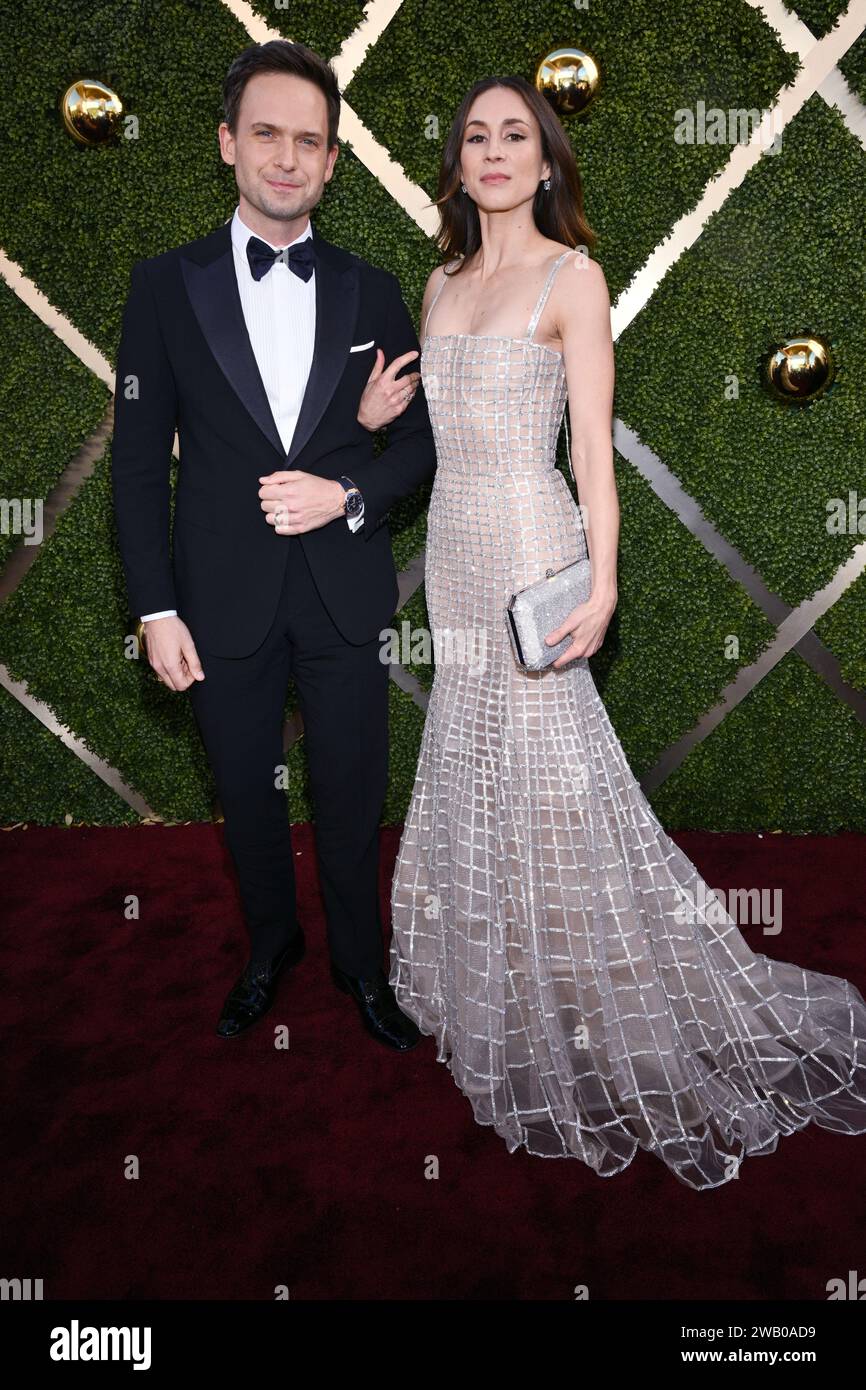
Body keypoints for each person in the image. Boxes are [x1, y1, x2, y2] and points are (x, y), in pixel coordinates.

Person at [387, 74, 866, 1188]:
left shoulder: (573, 276)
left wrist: (600, 584)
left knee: (555, 773)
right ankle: (498, 971)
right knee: (473, 756)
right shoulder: (442, 277)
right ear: (456, 164)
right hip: (453, 561)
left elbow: (592, 456)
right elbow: (435, 437)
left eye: (516, 135)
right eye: (475, 136)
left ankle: (589, 980)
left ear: (546, 161)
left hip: (531, 550)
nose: (495, 152)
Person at [112, 40, 435, 1049]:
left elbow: (419, 446)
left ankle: (359, 963)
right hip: (218, 599)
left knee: (350, 791)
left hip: (341, 591)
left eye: (308, 140)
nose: (287, 158)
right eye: (266, 134)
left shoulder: (374, 287)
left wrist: (343, 488)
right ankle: (268, 949)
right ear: (227, 144)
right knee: (246, 797)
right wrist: (154, 608)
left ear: (333, 160)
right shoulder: (162, 285)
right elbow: (132, 465)